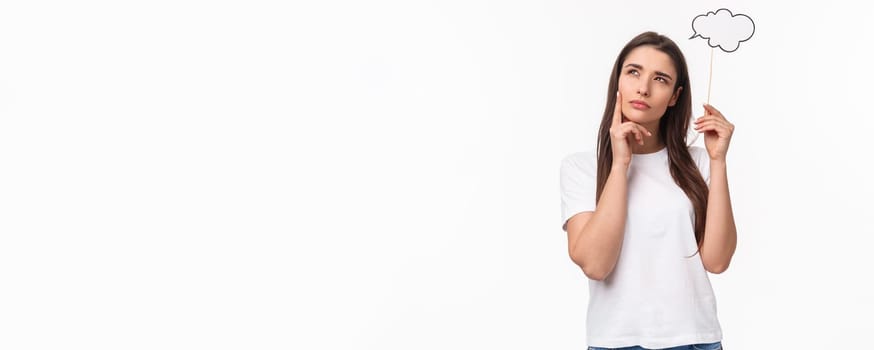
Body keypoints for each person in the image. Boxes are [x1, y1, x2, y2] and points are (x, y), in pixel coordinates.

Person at [559, 31, 737, 350]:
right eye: (634, 72)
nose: (643, 87)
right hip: (615, 341)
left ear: (673, 96)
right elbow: (595, 264)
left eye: (660, 78)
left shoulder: (701, 162)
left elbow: (717, 261)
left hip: (694, 339)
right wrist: (619, 166)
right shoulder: (582, 168)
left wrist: (719, 162)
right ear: (618, 81)